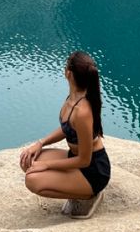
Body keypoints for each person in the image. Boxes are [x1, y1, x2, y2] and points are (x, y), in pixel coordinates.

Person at [20, 50, 111, 218]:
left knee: (32, 180)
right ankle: (73, 187)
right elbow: (67, 128)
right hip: (75, 159)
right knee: (28, 160)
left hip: (92, 171)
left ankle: (88, 196)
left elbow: (85, 160)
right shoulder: (73, 97)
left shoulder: (82, 111)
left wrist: (47, 165)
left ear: (68, 73)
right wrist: (41, 143)